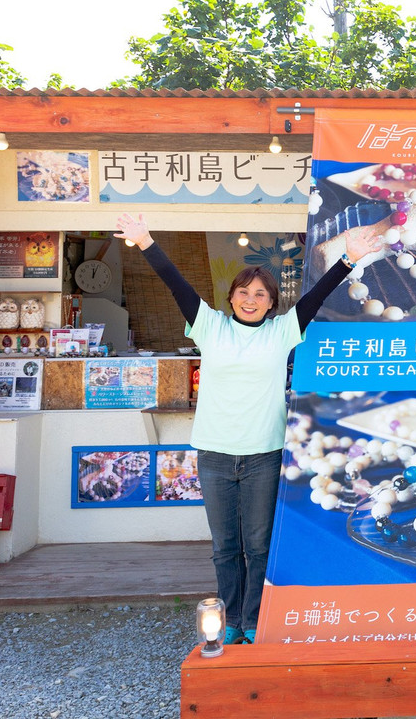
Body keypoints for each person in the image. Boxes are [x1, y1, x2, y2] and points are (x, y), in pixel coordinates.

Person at [114, 215, 380, 644]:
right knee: (224, 547)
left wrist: (348, 259)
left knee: (258, 546)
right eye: (244, 292)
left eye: (260, 294)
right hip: (215, 455)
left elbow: (316, 296)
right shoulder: (209, 326)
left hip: (263, 454)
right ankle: (230, 618)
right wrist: (145, 241)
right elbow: (174, 281)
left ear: (272, 302)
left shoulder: (282, 332)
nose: (251, 299)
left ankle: (254, 620)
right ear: (231, 297)